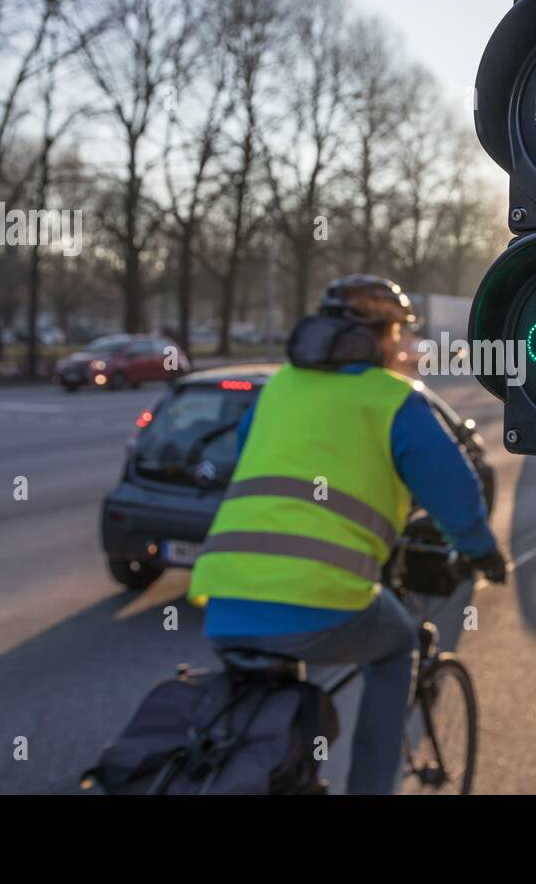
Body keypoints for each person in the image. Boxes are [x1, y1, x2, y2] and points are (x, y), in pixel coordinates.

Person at [188, 274, 507, 794]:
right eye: (401, 332)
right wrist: (483, 552)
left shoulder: (280, 388)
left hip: (223, 597)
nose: (404, 345)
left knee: (279, 690)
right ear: (383, 335)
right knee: (397, 642)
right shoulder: (391, 398)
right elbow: (454, 487)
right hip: (318, 601)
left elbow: (255, 460)